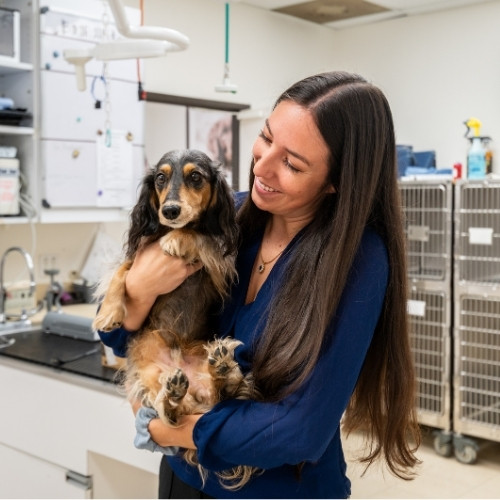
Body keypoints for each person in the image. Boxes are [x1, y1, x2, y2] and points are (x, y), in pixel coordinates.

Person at [99, 70, 421, 499]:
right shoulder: (226, 219)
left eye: (291, 163)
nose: (262, 168)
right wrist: (137, 289)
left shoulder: (357, 259)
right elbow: (119, 337)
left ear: (335, 181)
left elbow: (299, 431)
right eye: (266, 139)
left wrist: (171, 430)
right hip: (185, 480)